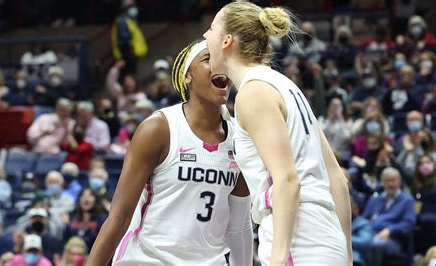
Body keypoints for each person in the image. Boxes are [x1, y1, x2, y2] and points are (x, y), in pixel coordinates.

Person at [203, 2, 351, 265]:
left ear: (227, 40)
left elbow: (287, 180)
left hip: (299, 238)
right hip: (327, 238)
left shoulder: (253, 92)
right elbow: (337, 181)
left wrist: (279, 260)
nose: (206, 35)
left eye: (212, 28)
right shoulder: (286, 87)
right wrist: (347, 255)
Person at [88, 40, 252, 265]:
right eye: (208, 59)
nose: (219, 66)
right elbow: (119, 216)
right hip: (148, 259)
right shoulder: (158, 129)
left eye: (224, 61)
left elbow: (239, 224)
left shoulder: (240, 139)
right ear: (188, 76)